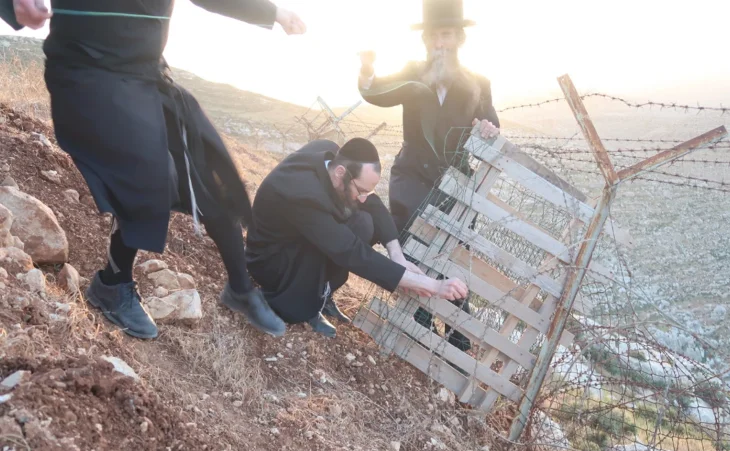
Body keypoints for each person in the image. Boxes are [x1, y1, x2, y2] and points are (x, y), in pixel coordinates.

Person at [1, 0, 306, 339]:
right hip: (89, 72)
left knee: (207, 165)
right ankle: (113, 284)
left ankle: (240, 288)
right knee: (148, 175)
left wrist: (273, 13)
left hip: (145, 73)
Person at [357, 0, 500, 352]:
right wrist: (367, 69)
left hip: (456, 180)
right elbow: (376, 92)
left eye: (446, 35)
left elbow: (492, 124)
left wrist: (487, 127)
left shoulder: (479, 82)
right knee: (413, 246)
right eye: (433, 36)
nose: (439, 43)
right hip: (412, 176)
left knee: (454, 252)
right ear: (425, 40)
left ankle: (457, 336)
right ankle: (416, 325)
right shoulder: (411, 72)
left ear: (459, 39)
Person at [245, 138, 468, 338]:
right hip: (272, 260)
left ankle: (321, 294)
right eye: (360, 189)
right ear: (341, 172)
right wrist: (433, 285)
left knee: (363, 223)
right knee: (297, 307)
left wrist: (397, 256)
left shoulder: (331, 156)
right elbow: (352, 252)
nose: (362, 197)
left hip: (297, 237)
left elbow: (372, 202)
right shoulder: (303, 196)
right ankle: (284, 300)